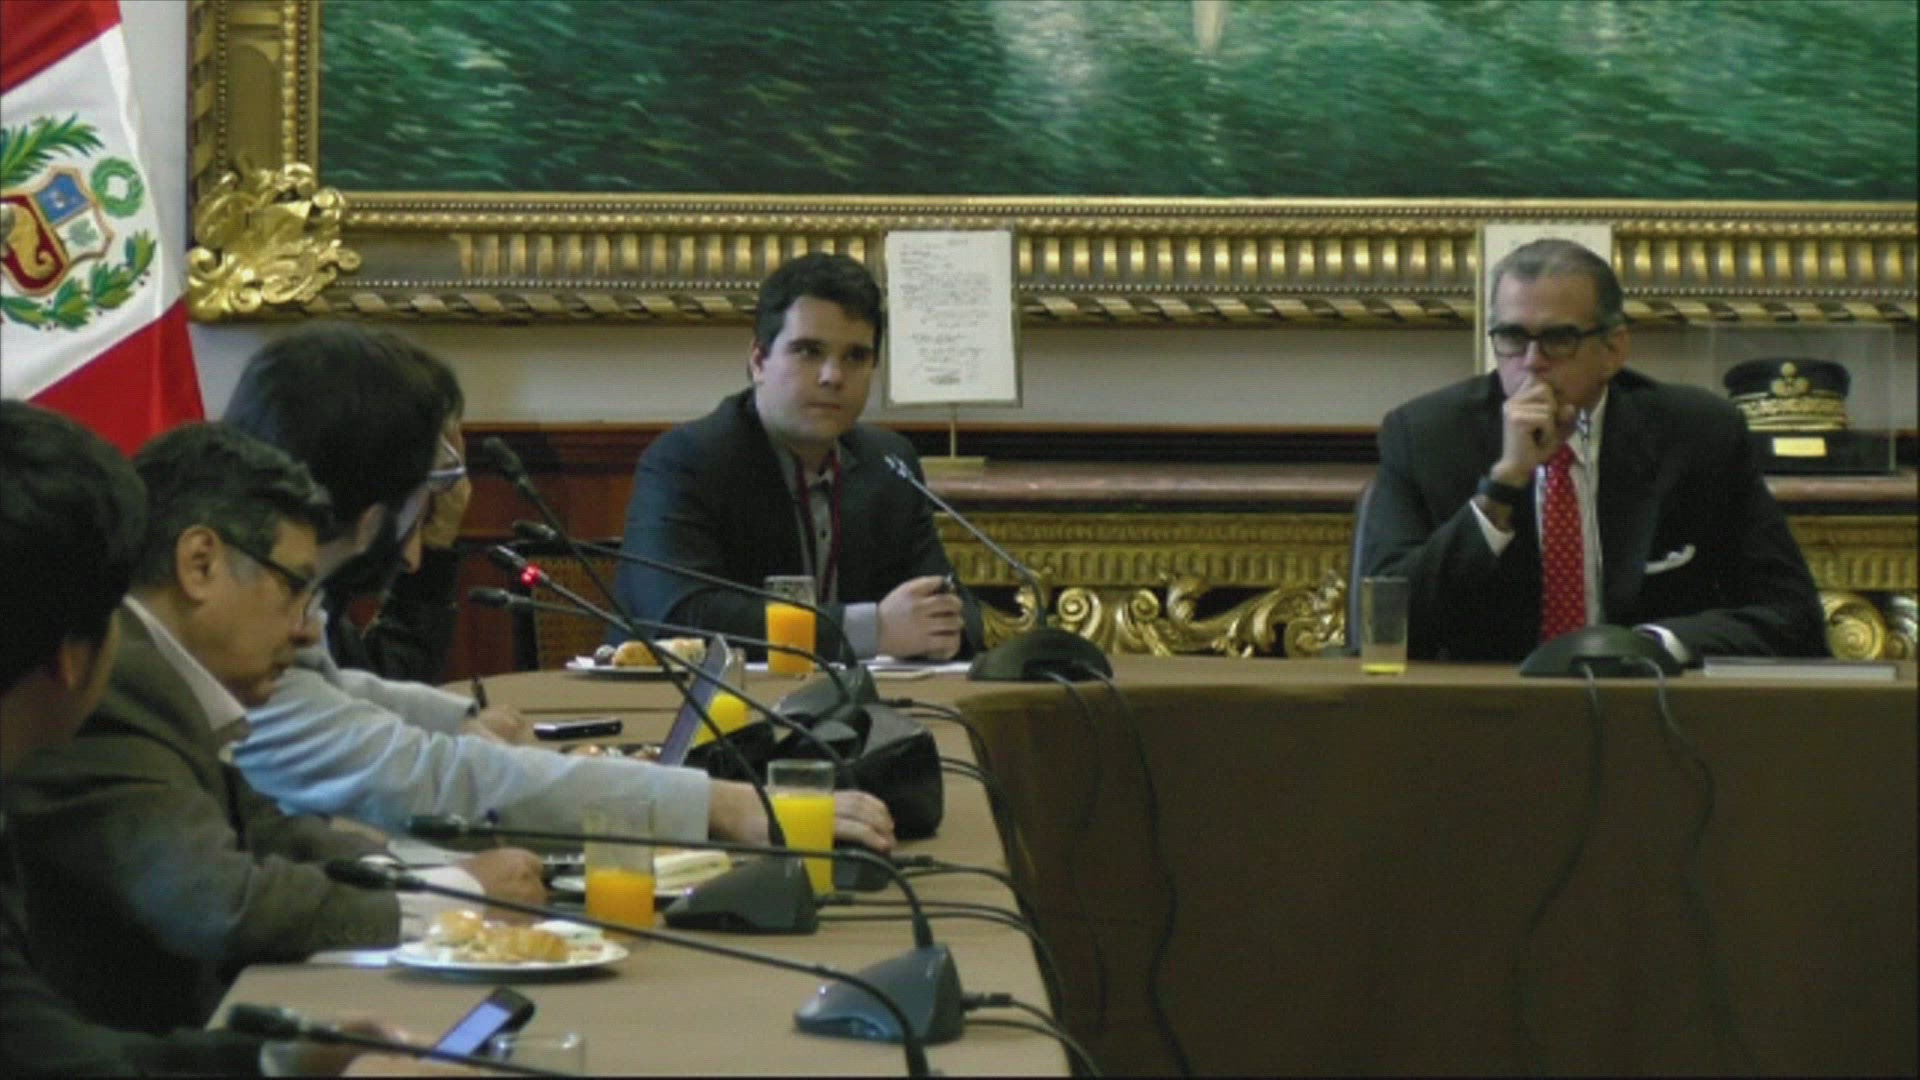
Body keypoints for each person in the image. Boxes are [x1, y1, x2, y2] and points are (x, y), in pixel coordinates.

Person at [221, 324, 896, 850]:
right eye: (424, 499)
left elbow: (338, 690)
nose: (421, 542)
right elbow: (437, 779)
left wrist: (455, 720)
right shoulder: (241, 627)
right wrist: (719, 807)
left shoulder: (269, 590)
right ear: (371, 510)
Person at [3, 421, 546, 1038]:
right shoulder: (113, 684)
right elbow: (218, 902)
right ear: (200, 563)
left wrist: (426, 877)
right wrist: (453, 894)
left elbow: (269, 836)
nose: (308, 631)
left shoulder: (170, 680)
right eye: (294, 588)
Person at [1355, 237, 1826, 663]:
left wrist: (1654, 645)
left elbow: (1793, 615)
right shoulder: (1426, 436)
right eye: (1513, 338)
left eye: (1558, 339)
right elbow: (1380, 628)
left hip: (1650, 708)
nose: (1532, 363)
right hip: (1487, 712)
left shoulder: (1699, 435)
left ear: (1613, 350)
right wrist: (1502, 486)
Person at [613, 252, 984, 662]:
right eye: (809, 351)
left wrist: (942, 626)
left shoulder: (888, 463)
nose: (833, 376)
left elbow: (954, 606)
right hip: (695, 699)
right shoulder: (687, 461)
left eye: (855, 357)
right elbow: (679, 616)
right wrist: (871, 630)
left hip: (858, 700)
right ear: (759, 361)